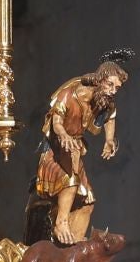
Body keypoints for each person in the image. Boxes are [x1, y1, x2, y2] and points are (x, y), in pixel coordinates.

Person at [25, 49, 132, 246]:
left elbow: (110, 117)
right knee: (70, 180)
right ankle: (61, 224)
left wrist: (109, 140)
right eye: (110, 84)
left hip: (73, 148)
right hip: (55, 149)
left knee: (87, 201)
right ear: (99, 79)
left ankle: (72, 246)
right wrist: (64, 135)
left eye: (117, 88)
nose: (113, 91)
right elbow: (56, 121)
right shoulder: (70, 94)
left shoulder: (104, 101)